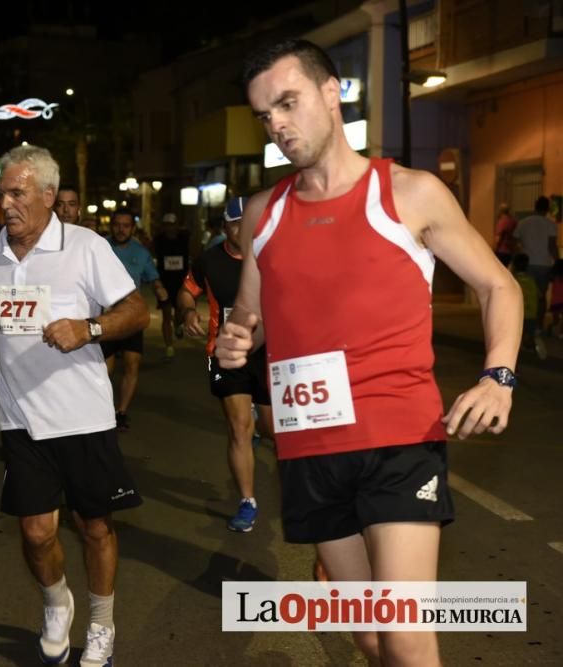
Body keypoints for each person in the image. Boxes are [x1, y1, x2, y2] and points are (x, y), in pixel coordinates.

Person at [214, 39, 521, 665]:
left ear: (332, 94)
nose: (276, 124)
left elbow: (498, 285)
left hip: (397, 439)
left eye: (287, 103)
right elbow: (254, 313)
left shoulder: (409, 193)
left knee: (406, 636)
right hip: (308, 446)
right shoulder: (263, 213)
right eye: (263, 114)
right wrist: (237, 336)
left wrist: (498, 376)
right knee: (370, 636)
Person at [0, 145, 147, 667]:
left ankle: (101, 623)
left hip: (83, 416)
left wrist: (88, 328)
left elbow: (136, 310)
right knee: (35, 530)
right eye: (2, 192)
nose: (6, 202)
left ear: (49, 195)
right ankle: (54, 602)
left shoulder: (86, 246)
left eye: (17, 192)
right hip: (20, 415)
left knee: (94, 527)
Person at [177, 196, 273, 533]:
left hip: (269, 353)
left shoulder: (272, 254)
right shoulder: (209, 261)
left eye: (250, 222)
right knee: (238, 427)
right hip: (226, 353)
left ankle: (263, 423)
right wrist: (188, 311)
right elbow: (187, 291)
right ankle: (248, 501)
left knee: (272, 428)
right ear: (225, 227)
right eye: (236, 223)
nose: (244, 228)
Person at [104, 208, 167, 430]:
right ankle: (102, 411)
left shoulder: (140, 253)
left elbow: (153, 277)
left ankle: (121, 412)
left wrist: (161, 291)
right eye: (117, 225)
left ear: (133, 228)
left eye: (126, 225)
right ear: (112, 226)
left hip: (131, 318)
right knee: (105, 369)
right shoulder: (101, 247)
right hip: (106, 318)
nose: (121, 229)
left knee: (133, 364)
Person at [514, 195, 559, 333]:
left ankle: (522, 324)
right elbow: (552, 246)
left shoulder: (523, 222)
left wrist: (520, 254)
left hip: (526, 264)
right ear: (547, 209)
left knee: (525, 296)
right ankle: (538, 325)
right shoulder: (551, 225)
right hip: (544, 265)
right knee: (541, 297)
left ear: (535, 206)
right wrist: (557, 262)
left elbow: (514, 241)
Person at [154, 212, 191, 359]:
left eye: (172, 225)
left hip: (181, 283)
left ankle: (178, 325)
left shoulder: (184, 238)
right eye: (167, 225)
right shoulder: (159, 240)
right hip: (165, 283)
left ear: (177, 225)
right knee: (166, 315)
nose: (170, 228)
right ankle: (169, 346)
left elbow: (192, 254)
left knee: (181, 312)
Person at [510, 254, 546, 359]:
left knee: (518, 334)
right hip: (531, 313)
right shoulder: (531, 280)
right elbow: (539, 295)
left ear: (514, 266)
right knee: (530, 331)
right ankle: (533, 341)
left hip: (518, 313)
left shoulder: (513, 280)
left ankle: (519, 348)